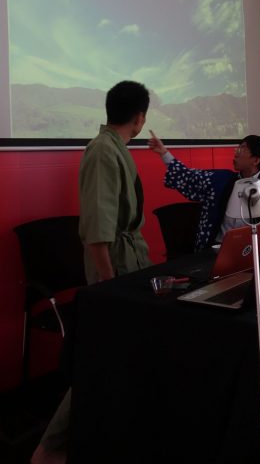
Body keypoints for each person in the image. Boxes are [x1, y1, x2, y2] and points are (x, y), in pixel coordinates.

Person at [31, 81, 152, 464]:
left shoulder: (114, 148)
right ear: (139, 118)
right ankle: (49, 448)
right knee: (102, 357)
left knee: (118, 354)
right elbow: (98, 230)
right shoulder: (103, 151)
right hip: (114, 270)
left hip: (127, 263)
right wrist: (109, 284)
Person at [148, 132, 260, 248]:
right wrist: (164, 153)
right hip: (217, 247)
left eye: (242, 148)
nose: (236, 152)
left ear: (256, 160)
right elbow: (188, 176)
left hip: (255, 249)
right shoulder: (221, 180)